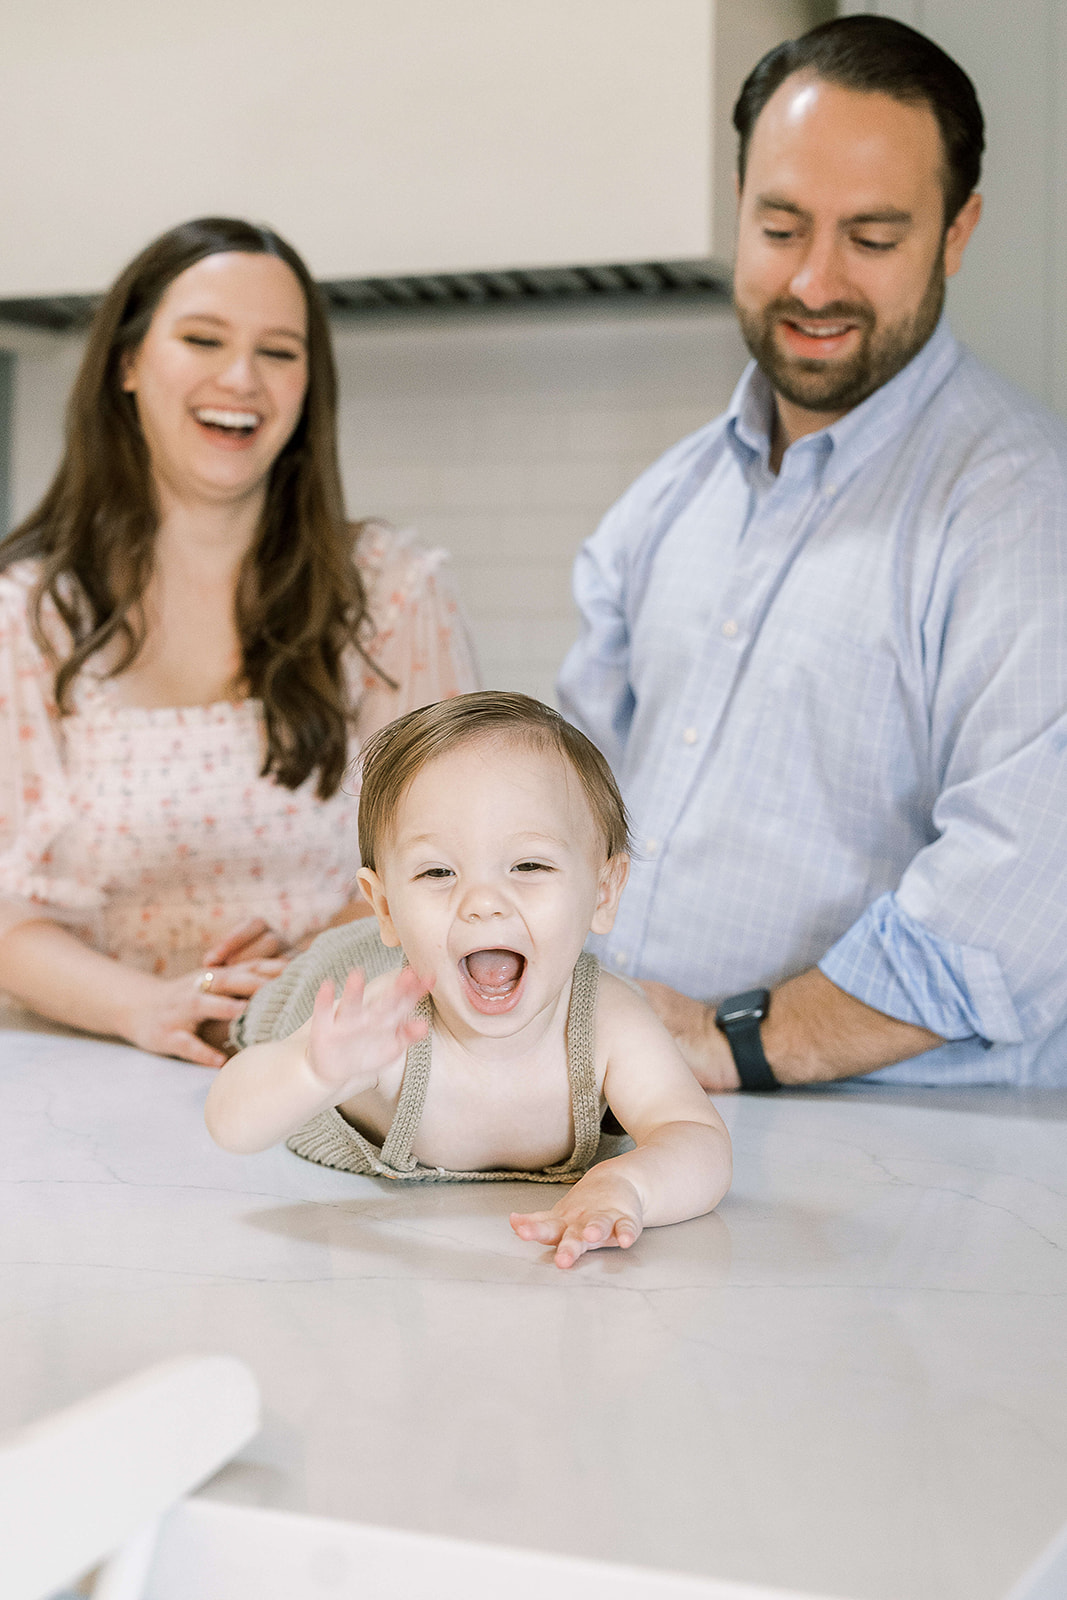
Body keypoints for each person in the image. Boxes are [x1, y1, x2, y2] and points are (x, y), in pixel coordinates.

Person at [557, 15, 1067, 1091]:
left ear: (956, 233)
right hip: (640, 1116)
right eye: (780, 226)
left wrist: (728, 1039)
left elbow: (1018, 893)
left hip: (905, 1167)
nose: (815, 282)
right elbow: (564, 812)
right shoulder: (662, 506)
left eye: (873, 238)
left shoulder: (1019, 511)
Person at [0, 217, 477, 1067]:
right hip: (81, 1075)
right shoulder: (28, 617)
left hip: (333, 1066)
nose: (241, 378)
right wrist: (152, 1007)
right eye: (203, 338)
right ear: (129, 363)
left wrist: (291, 986)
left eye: (280, 351)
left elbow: (450, 865)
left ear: (309, 388)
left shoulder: (392, 595)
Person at [205, 693, 731, 1269]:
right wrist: (311, 1069)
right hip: (334, 980)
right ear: (384, 906)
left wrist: (629, 1185)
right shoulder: (383, 1025)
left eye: (529, 866)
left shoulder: (610, 1021)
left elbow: (694, 1136)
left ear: (603, 892)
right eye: (438, 871)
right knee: (242, 1020)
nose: (482, 902)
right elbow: (231, 1123)